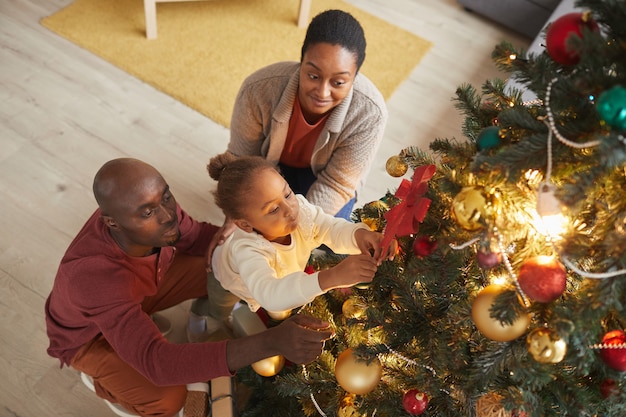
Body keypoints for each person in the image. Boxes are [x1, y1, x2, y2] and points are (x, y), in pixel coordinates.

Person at [44, 158, 333, 417]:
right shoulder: (94, 278)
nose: (168, 214)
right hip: (89, 338)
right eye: (147, 212)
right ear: (112, 223)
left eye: (166, 196)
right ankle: (106, 381)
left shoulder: (158, 209)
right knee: (169, 398)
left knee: (222, 265)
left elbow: (198, 238)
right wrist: (272, 342)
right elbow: (157, 363)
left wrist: (252, 233)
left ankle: (142, 321)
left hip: (138, 294)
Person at [225, 9, 387, 221]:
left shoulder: (370, 113)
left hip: (326, 176)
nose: (322, 92)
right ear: (301, 62)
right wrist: (235, 220)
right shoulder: (258, 90)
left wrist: (295, 231)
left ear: (355, 77)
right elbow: (241, 160)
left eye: (338, 82)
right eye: (313, 75)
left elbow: (337, 184)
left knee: (330, 241)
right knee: (253, 228)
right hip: (268, 169)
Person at [203, 153, 396, 323]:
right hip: (228, 279)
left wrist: (359, 235)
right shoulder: (247, 250)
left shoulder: (301, 211)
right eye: (274, 209)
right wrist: (332, 277)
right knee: (220, 308)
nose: (290, 210)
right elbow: (268, 293)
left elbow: (330, 228)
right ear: (245, 225)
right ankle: (205, 319)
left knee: (280, 303)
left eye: (287, 194)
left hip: (274, 280)